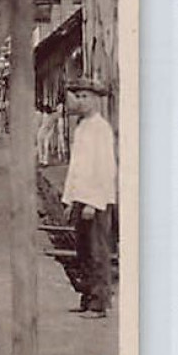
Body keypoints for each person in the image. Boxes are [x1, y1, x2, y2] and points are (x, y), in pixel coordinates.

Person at [61, 78, 116, 318]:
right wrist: (69, 199)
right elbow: (76, 167)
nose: (81, 101)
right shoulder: (82, 126)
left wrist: (93, 203)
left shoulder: (100, 128)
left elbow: (104, 168)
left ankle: (99, 303)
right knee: (82, 251)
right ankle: (87, 296)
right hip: (81, 198)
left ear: (96, 100)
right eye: (79, 97)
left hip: (96, 200)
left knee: (97, 251)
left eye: (86, 97)